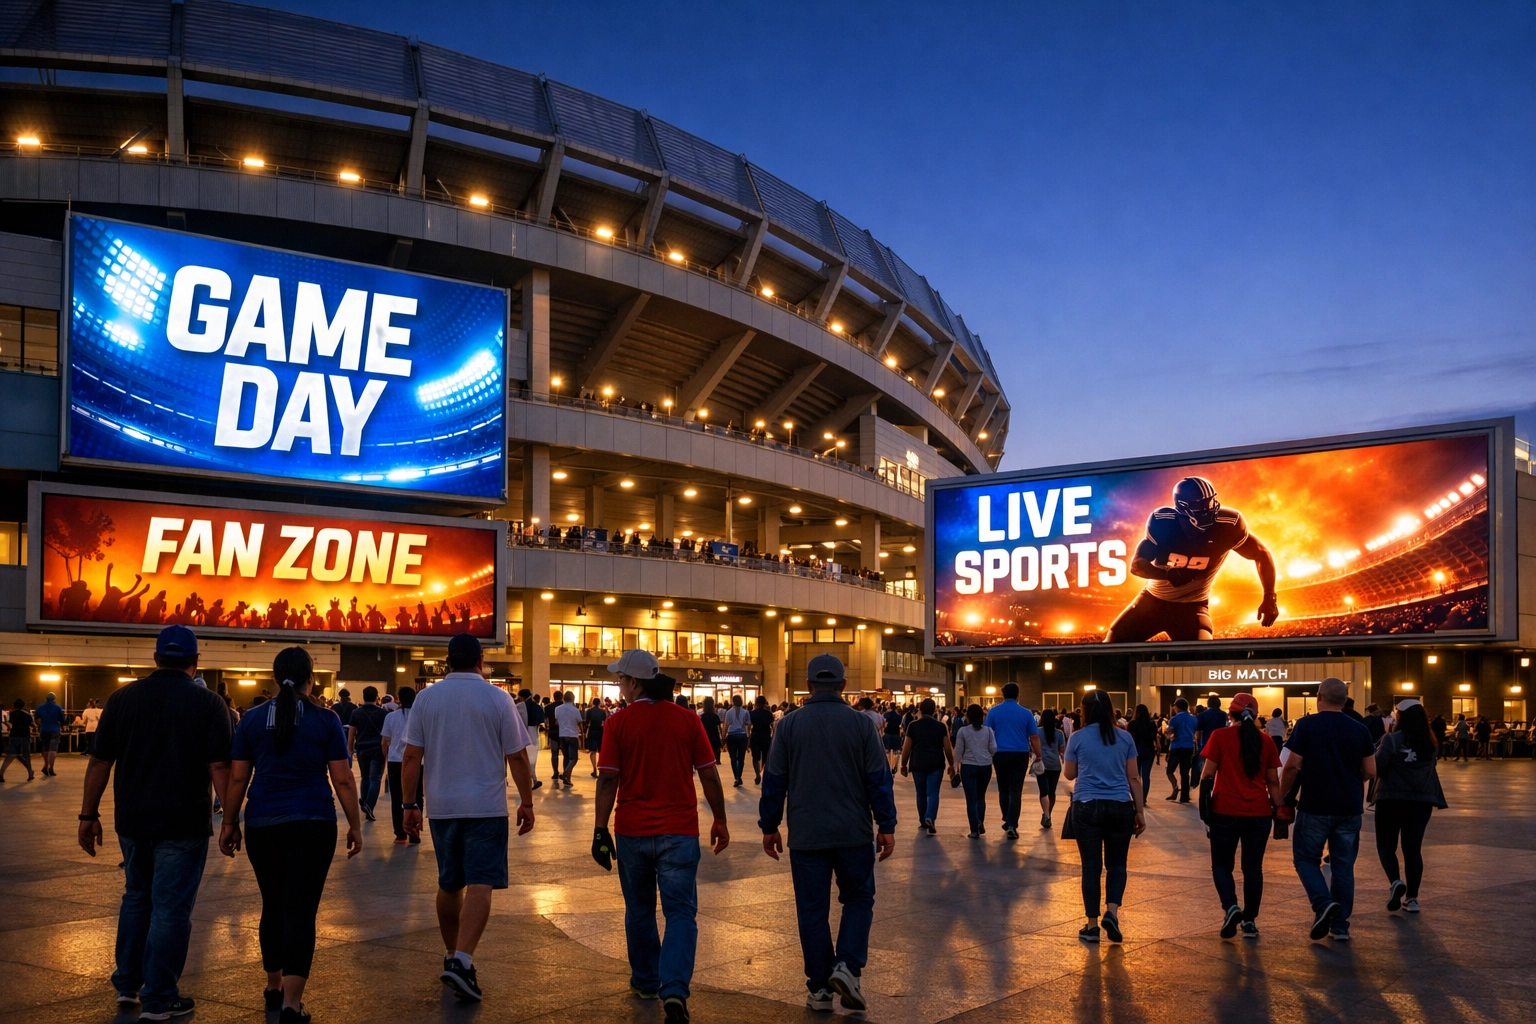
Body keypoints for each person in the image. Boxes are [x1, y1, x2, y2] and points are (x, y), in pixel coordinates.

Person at [77, 625, 234, 1020]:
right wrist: (231, 819)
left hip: (132, 820)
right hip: (184, 822)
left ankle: (128, 986)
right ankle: (161, 997)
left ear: (156, 658)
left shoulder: (122, 698)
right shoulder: (209, 703)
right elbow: (219, 765)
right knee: (170, 910)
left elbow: (99, 762)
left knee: (136, 897)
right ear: (195, 661)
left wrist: (87, 814)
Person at [219, 648, 363, 1023]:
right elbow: (342, 778)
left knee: (273, 904)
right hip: (313, 823)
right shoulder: (325, 719)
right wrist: (355, 824)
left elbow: (238, 776)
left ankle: (272, 986)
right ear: (310, 679)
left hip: (263, 822)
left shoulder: (250, 719)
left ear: (272, 677)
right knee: (301, 910)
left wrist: (229, 822)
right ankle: (291, 1005)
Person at [593, 651, 729, 1024]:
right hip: (680, 833)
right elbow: (709, 774)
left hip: (633, 831)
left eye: (621, 679)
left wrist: (600, 829)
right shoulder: (687, 720)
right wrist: (720, 819)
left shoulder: (617, 723)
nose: (619, 686)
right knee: (681, 912)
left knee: (639, 910)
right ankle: (675, 989)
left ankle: (646, 982)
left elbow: (607, 779)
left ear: (635, 683)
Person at [401, 634, 536, 1002]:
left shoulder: (427, 698)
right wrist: (527, 801)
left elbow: (412, 756)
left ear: (447, 661)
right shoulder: (497, 697)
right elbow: (518, 757)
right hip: (486, 806)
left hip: (442, 807)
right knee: (480, 882)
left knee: (449, 883)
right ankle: (462, 961)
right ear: (481, 661)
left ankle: (451, 954)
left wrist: (409, 805)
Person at [759, 654, 896, 1014]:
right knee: (859, 898)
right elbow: (879, 779)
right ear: (844, 686)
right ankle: (847, 966)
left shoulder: (787, 726)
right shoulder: (863, 725)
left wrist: (769, 825)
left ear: (808, 686)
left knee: (812, 910)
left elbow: (774, 781)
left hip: (806, 834)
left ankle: (819, 989)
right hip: (853, 831)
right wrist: (887, 825)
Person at [1279, 677, 1377, 942]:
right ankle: (1340, 926)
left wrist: (1281, 795)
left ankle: (1323, 904)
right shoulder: (1359, 730)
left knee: (1305, 859)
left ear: (1318, 697)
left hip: (1315, 805)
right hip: (1349, 807)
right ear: (1345, 701)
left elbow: (1291, 766)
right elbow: (1370, 770)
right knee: (1344, 866)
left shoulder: (1307, 725)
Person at [1198, 692, 1283, 939]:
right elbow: (1273, 782)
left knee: (1222, 865)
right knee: (1253, 868)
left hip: (1224, 811)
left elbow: (1207, 776)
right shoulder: (1266, 741)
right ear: (1257, 716)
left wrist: (1205, 810)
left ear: (1230, 714)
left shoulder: (1220, 736)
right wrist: (1279, 808)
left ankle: (1231, 906)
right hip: (1259, 814)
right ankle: (1250, 921)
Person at [1063, 690, 1145, 944]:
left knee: (1091, 866)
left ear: (1084, 711)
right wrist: (1139, 811)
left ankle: (1091, 925)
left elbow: (1069, 774)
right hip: (1121, 805)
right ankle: (1112, 912)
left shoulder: (1077, 738)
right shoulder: (1125, 737)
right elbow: (1133, 777)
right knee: (1117, 863)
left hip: (1087, 805)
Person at [1373, 699, 1447, 914]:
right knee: (1413, 849)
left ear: (1400, 717)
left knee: (1386, 845)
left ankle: (1396, 882)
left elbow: (1377, 767)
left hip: (1391, 800)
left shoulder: (1392, 740)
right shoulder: (1431, 743)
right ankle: (1412, 898)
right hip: (1421, 802)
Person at [984, 683, 1042, 839]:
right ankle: (1012, 824)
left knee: (1003, 788)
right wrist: (1038, 755)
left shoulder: (994, 712)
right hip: (1020, 754)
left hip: (1000, 754)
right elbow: (1034, 737)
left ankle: (1006, 816)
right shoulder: (1026, 713)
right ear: (1018, 695)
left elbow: (987, 733)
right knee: (1015, 790)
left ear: (1003, 694)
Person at [899, 698, 954, 835]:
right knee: (933, 792)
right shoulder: (941, 726)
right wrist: (952, 764)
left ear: (921, 710)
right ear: (934, 710)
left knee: (921, 793)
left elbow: (907, 747)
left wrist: (903, 764)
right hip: (936, 762)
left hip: (918, 762)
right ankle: (930, 816)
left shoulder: (913, 725)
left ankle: (923, 821)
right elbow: (947, 747)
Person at [381, 686, 422, 844]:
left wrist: (386, 757)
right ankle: (415, 829)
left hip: (395, 761)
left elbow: (385, 741)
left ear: (398, 698)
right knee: (417, 795)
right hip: (418, 761)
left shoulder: (390, 717)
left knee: (397, 796)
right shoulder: (419, 716)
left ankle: (400, 833)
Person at [952, 704, 996, 838]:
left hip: (968, 767)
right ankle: (980, 822)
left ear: (968, 716)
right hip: (985, 766)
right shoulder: (988, 731)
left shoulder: (963, 731)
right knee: (981, 796)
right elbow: (994, 749)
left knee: (971, 799)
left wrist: (955, 767)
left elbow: (958, 752)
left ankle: (974, 830)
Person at [348, 687, 387, 821]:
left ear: (363, 696)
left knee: (365, 777)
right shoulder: (383, 713)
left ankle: (365, 802)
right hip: (377, 748)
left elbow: (352, 732)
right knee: (375, 778)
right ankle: (369, 805)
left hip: (362, 748)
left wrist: (350, 749)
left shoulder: (356, 712)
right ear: (377, 697)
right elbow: (386, 735)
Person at [1037, 708, 1067, 828]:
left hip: (1041, 764)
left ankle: (1046, 815)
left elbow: (1032, 745)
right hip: (1055, 765)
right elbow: (1062, 749)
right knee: (1052, 792)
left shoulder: (1037, 732)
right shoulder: (1059, 733)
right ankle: (1049, 814)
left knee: (1043, 791)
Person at [1165, 697, 1198, 802]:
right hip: (1189, 747)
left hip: (1177, 747)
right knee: (1185, 772)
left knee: (1170, 770)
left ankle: (1175, 789)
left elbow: (1170, 732)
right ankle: (1184, 796)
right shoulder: (1193, 718)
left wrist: (1167, 733)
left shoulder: (1174, 719)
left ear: (1176, 707)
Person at [1126, 705, 1157, 803]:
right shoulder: (1152, 724)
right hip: (1149, 751)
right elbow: (1154, 738)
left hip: (1136, 751)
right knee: (1146, 776)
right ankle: (1144, 798)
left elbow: (1130, 739)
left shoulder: (1132, 724)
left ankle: (1136, 798)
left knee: (1135, 776)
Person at [1193, 695, 1227, 779]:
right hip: (1222, 743)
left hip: (1207, 743)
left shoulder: (1202, 715)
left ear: (1208, 704)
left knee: (1206, 767)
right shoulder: (1223, 715)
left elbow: (1198, 730)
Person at [554, 690, 583, 785]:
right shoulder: (575, 710)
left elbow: (557, 721)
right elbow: (579, 722)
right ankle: (566, 773)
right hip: (573, 735)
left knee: (566, 757)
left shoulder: (557, 709)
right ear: (573, 699)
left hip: (562, 734)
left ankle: (567, 779)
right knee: (573, 758)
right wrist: (582, 733)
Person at [2, 698, 34, 782]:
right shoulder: (27, 715)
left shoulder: (11, 714)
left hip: (14, 735)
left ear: (14, 705)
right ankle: (30, 773)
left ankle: (1, 774)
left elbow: (10, 722)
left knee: (10, 755)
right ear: (23, 706)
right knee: (26, 755)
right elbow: (32, 724)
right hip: (25, 736)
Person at [722, 694, 751, 787]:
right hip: (742, 736)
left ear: (732, 701)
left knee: (733, 758)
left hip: (732, 736)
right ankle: (739, 775)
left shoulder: (729, 712)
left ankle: (736, 777)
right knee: (741, 758)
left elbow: (726, 726)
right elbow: (749, 724)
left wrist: (723, 737)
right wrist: (748, 735)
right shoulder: (746, 712)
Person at [517, 689, 545, 789]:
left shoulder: (520, 706)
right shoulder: (537, 707)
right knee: (532, 759)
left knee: (526, 759)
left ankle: (532, 779)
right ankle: (533, 779)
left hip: (522, 733)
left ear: (521, 696)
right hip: (533, 732)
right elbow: (540, 722)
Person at [35, 691, 67, 776]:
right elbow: (62, 719)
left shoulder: (40, 707)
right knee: (53, 750)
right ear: (54, 699)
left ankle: (46, 765)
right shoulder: (58, 707)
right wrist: (62, 726)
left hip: (44, 730)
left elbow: (37, 719)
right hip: (54, 729)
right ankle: (51, 768)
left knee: (45, 749)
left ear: (45, 698)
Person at [749, 695, 776, 784]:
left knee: (755, 757)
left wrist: (748, 738)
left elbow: (749, 727)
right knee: (766, 757)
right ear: (765, 703)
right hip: (766, 736)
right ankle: (764, 773)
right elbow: (773, 727)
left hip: (755, 736)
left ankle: (757, 774)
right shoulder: (768, 714)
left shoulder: (752, 713)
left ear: (756, 703)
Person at [584, 697, 609, 779]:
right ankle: (601, 768)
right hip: (600, 731)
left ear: (593, 703)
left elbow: (587, 722)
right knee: (601, 750)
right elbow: (605, 722)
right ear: (599, 703)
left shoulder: (589, 711)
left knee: (593, 751)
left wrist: (585, 732)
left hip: (592, 730)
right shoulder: (603, 711)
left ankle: (594, 768)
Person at [698, 696, 725, 768]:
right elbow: (719, 727)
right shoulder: (715, 716)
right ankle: (717, 760)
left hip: (706, 736)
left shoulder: (702, 717)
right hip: (715, 736)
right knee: (716, 749)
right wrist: (722, 736)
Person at [881, 704, 904, 770]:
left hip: (887, 733)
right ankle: (895, 766)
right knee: (896, 752)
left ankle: (887, 766)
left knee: (886, 751)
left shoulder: (885, 715)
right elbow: (901, 726)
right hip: (896, 734)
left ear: (889, 707)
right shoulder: (899, 716)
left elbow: (883, 724)